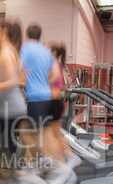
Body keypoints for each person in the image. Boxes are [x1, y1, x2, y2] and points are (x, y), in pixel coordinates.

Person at [20, 24, 75, 184]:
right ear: (40, 35)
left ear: (27, 34)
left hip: (36, 97)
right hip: (47, 98)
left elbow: (16, 68)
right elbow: (56, 76)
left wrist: (29, 81)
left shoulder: (26, 47)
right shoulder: (45, 51)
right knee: (36, 131)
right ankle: (44, 163)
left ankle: (60, 168)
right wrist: (44, 83)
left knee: (38, 133)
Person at [0, 18, 27, 184]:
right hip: (13, 107)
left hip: (11, 109)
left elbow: (11, 82)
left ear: (3, 32)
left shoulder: (5, 54)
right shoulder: (11, 50)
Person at [47, 41, 81, 169]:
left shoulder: (53, 65)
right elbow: (66, 84)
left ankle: (63, 158)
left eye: (48, 49)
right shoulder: (60, 65)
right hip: (57, 102)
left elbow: (57, 79)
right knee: (56, 133)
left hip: (53, 102)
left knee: (49, 133)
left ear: (53, 52)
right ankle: (67, 157)